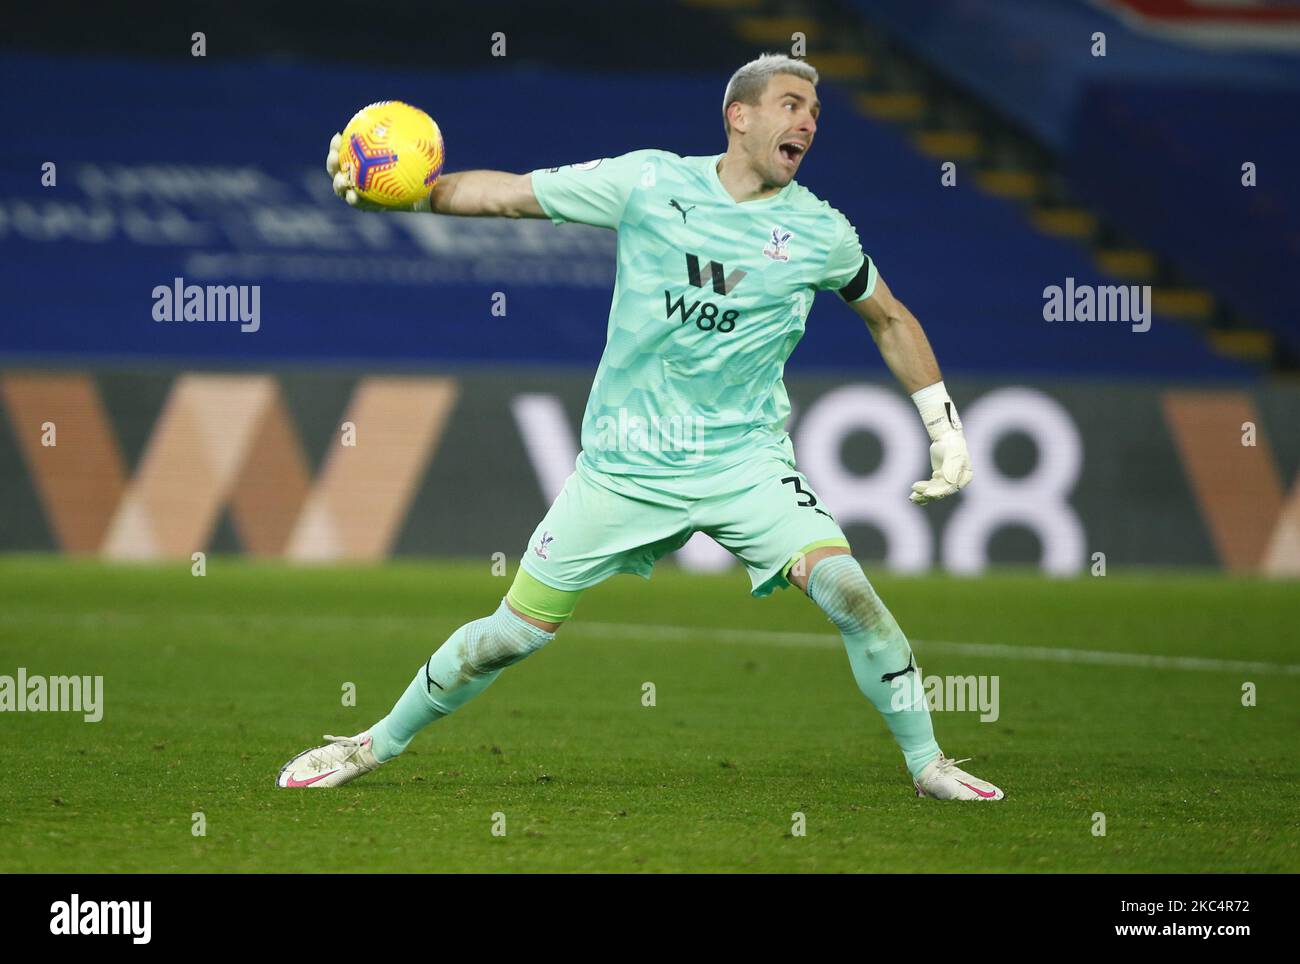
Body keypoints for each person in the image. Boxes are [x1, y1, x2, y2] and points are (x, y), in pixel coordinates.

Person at [278, 54, 1003, 801]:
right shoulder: (650, 183)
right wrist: (411, 197)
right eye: (791, 104)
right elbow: (511, 198)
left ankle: (927, 764)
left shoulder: (821, 233)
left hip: (743, 465)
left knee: (851, 595)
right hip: (624, 467)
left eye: (815, 112)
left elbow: (890, 317)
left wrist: (944, 428)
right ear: (740, 115)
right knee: (511, 636)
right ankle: (371, 744)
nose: (808, 122)